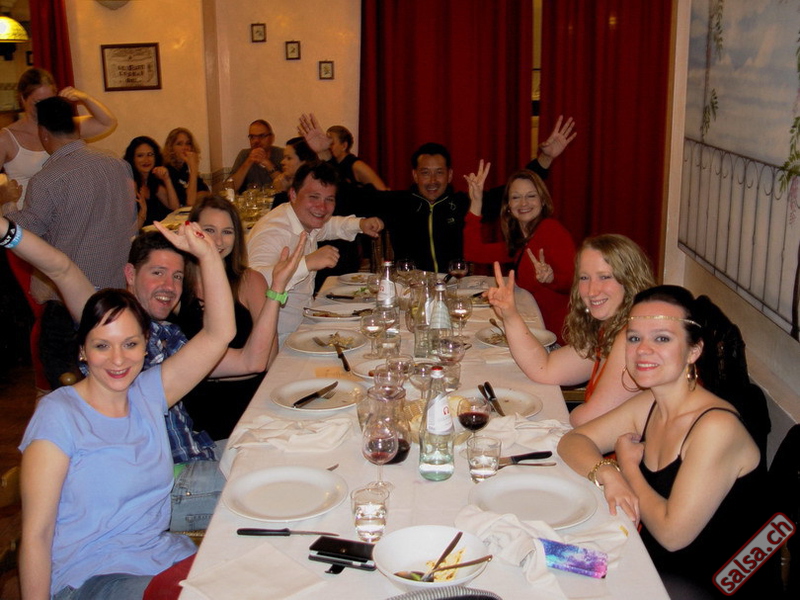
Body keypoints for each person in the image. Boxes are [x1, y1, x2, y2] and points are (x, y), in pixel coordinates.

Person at [2, 214, 304, 532]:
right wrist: (6, 232)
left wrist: (277, 288)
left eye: (177, 276)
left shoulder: (170, 335)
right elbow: (61, 267)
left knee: (288, 448)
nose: (168, 286)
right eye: (157, 273)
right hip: (159, 485)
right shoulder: (109, 323)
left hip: (198, 455)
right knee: (276, 484)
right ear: (130, 274)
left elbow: (250, 361)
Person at [18, 220, 234, 599]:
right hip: (90, 577)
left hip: (161, 559)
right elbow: (37, 535)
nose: (118, 360)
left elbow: (220, 334)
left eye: (130, 344)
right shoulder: (59, 415)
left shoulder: (148, 394)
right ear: (83, 350)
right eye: (102, 345)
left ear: (146, 345)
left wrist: (206, 254)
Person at [557, 285, 780, 598]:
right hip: (648, 565)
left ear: (693, 351)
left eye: (661, 338)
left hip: (704, 587)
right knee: (543, 555)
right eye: (634, 338)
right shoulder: (649, 404)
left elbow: (672, 535)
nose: (643, 350)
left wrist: (628, 469)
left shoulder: (716, 427)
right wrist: (608, 473)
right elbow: (573, 441)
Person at [3, 96, 137, 389]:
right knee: (116, 374)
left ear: (43, 133)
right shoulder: (117, 165)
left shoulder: (47, 179)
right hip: (118, 291)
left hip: (70, 297)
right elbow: (132, 221)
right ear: (76, 127)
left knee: (65, 376)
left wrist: (7, 205)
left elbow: (26, 235)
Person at [488, 234, 655, 426]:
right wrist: (510, 315)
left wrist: (569, 414)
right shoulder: (608, 330)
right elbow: (545, 368)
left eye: (604, 277)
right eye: (584, 278)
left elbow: (588, 419)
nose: (591, 291)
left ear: (630, 280)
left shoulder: (632, 339)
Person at [172, 195, 300, 439]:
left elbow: (268, 359)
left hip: (247, 407)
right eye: (209, 230)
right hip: (194, 413)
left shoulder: (250, 281)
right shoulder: (178, 285)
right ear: (192, 231)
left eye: (227, 232)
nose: (219, 241)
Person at [247, 160, 383, 342]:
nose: (322, 207)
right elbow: (252, 282)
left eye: (329, 199)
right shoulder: (273, 231)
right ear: (293, 194)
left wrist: (360, 224)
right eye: (314, 197)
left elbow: (329, 226)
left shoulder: (302, 219)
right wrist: (307, 263)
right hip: (276, 337)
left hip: (303, 321)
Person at [464, 164, 575, 343]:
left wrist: (551, 279)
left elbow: (573, 282)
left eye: (531, 196)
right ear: (508, 205)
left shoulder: (551, 230)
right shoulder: (519, 240)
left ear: (543, 200)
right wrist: (476, 203)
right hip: (533, 327)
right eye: (516, 197)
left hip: (556, 336)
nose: (523, 203)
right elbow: (473, 252)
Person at [0, 67, 117, 210]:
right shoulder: (6, 138)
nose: (45, 107)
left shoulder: (66, 127)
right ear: (23, 99)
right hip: (26, 217)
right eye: (38, 102)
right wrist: (3, 195)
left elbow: (107, 123)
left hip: (64, 216)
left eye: (50, 101)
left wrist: (85, 98)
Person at [124, 136, 179, 226]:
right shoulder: (130, 184)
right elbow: (128, 224)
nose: (146, 160)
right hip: (140, 233)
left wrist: (167, 179)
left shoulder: (151, 182)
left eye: (150, 154)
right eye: (140, 155)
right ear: (132, 159)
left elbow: (174, 207)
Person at [229, 119, 283, 194]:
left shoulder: (281, 154)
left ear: (272, 138)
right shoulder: (244, 154)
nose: (256, 141)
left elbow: (286, 187)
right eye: (252, 137)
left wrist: (268, 164)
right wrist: (248, 161)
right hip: (250, 200)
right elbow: (230, 188)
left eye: (261, 136)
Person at [163, 127, 210, 207]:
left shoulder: (186, 168)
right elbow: (189, 202)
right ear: (171, 147)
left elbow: (206, 194)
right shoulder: (167, 170)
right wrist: (193, 168)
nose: (185, 148)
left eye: (188, 143)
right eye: (179, 144)